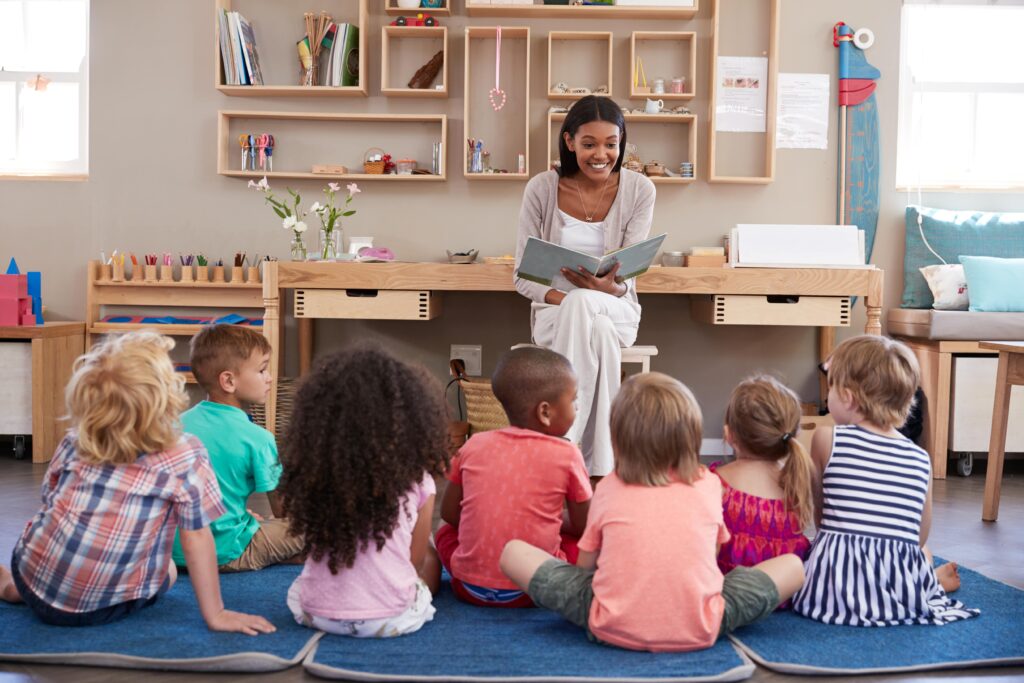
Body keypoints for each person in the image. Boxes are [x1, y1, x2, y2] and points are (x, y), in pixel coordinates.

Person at [500, 373, 804, 652]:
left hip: (609, 624)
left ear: (618, 441)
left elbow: (584, 569)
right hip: (703, 625)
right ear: (691, 438)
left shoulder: (608, 487)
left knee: (513, 552)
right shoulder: (710, 483)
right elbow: (710, 555)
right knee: (793, 566)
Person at [0, 332, 274, 634]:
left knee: (43, 562)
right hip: (105, 607)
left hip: (33, 579)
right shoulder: (185, 453)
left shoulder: (75, 441)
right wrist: (217, 614)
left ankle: (12, 588)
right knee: (168, 569)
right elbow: (197, 537)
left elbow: (50, 501)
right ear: (166, 396)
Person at [515, 95, 656, 477]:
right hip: (556, 315)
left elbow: (629, 281)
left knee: (594, 312)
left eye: (611, 144)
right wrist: (571, 296)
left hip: (618, 308)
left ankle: (560, 446)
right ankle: (601, 464)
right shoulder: (542, 189)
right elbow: (521, 278)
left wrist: (608, 290)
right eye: (589, 144)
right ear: (569, 141)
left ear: (621, 142)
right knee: (594, 326)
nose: (601, 154)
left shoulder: (640, 190)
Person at [792, 335, 978, 626]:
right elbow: (918, 537)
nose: (828, 397)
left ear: (849, 398)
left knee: (804, 553)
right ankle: (929, 582)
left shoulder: (828, 438)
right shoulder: (920, 457)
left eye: (831, 388)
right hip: (899, 599)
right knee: (923, 552)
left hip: (832, 592)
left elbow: (820, 515)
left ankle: (928, 580)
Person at [281, 347, 449, 638]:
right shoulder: (419, 481)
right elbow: (415, 560)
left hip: (315, 614)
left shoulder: (314, 475)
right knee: (431, 558)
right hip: (391, 620)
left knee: (302, 585)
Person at [436, 347, 592, 608]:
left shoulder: (473, 445)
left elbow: (450, 515)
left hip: (468, 587)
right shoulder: (567, 454)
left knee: (443, 532)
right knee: (584, 544)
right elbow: (586, 527)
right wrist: (553, 522)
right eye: (573, 401)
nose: (576, 408)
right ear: (545, 412)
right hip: (533, 589)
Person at [171, 324, 303, 572]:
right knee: (318, 526)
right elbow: (283, 511)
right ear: (229, 381)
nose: (270, 378)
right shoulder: (258, 438)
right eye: (262, 370)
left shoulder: (176, 424)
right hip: (225, 553)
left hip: (173, 551)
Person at [712, 376, 813, 606]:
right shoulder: (795, 480)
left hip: (727, 592)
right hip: (783, 591)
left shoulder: (714, 483)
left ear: (729, 435)